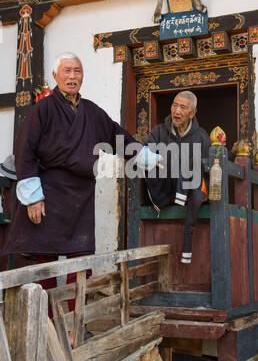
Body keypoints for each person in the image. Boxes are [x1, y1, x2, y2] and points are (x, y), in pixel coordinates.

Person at [1, 53, 159, 261]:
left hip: (82, 194)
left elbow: (117, 136)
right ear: (55, 75)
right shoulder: (43, 109)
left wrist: (147, 157)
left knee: (81, 255)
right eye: (67, 71)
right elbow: (24, 152)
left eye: (77, 71)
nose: (72, 76)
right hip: (50, 192)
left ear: (83, 77)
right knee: (44, 253)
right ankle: (45, 295)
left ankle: (78, 295)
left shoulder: (92, 112)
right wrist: (33, 198)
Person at [145, 91, 210, 264]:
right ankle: (177, 194)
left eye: (183, 107)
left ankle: (187, 247)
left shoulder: (201, 136)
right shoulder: (159, 132)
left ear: (192, 112)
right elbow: (145, 154)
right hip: (164, 189)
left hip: (190, 194)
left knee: (193, 163)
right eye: (175, 105)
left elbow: (207, 166)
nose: (177, 111)